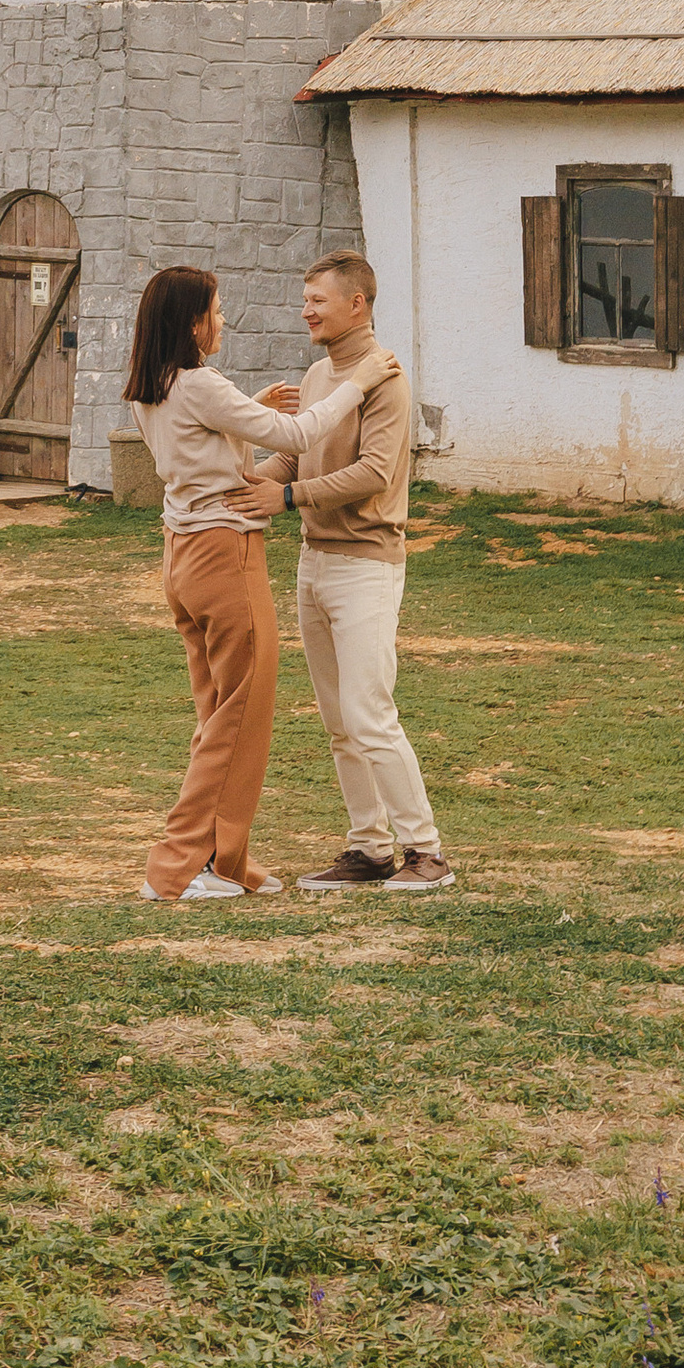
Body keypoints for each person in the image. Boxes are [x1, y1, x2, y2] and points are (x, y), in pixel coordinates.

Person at [123, 265, 365, 908]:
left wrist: (244, 411)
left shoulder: (151, 386)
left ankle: (223, 861)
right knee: (241, 714)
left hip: (183, 556)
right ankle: (177, 868)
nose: (223, 321)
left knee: (217, 712)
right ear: (192, 322)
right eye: (218, 311)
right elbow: (297, 435)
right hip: (225, 556)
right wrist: (358, 384)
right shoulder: (200, 383)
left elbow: (197, 449)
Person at [262, 250, 453, 893]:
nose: (306, 309)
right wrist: (235, 489)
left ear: (357, 305)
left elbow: (374, 472)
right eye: (306, 297)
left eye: (317, 298)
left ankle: (425, 854)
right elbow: (295, 456)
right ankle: (368, 849)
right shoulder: (319, 376)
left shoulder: (387, 380)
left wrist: (286, 500)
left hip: (366, 566)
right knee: (339, 720)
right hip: (313, 562)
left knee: (370, 713)